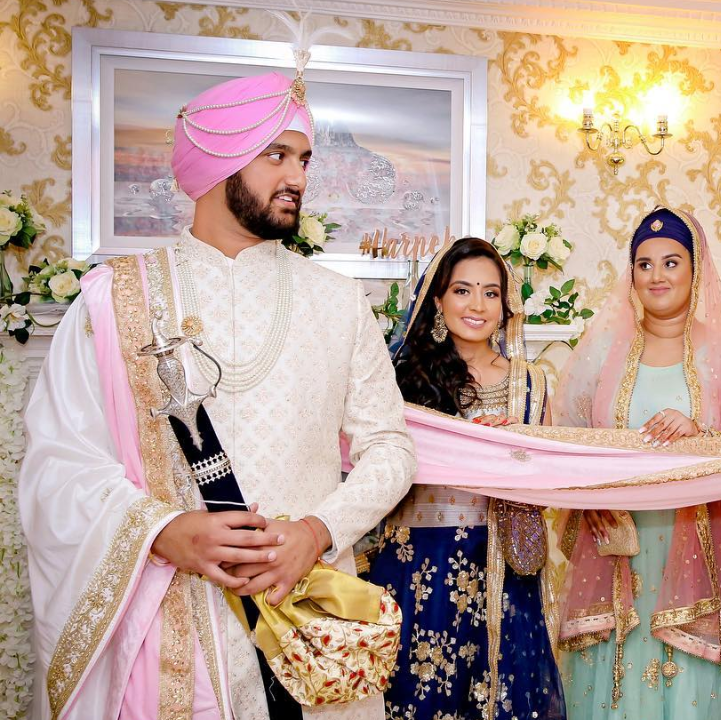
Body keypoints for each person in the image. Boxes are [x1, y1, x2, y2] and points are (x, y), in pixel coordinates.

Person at [18, 70, 417, 720]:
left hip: (308, 620)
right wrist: (161, 531)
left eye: (305, 158)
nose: (298, 177)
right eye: (276, 154)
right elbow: (58, 464)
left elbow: (391, 450)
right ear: (216, 161)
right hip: (170, 624)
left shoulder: (339, 300)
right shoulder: (113, 300)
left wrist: (317, 531)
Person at [552, 206, 721, 719]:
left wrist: (701, 433)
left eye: (671, 262)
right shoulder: (603, 349)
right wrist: (592, 500)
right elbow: (568, 438)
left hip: (694, 542)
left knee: (688, 684)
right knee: (615, 673)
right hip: (614, 545)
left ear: (697, 271)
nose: (657, 276)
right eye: (644, 264)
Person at [368, 237, 565, 720]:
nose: (477, 305)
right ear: (437, 299)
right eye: (462, 290)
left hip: (501, 561)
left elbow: (551, 476)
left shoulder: (532, 382)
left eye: (491, 293)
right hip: (416, 565)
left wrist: (507, 452)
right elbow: (375, 467)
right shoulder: (399, 377)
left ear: (506, 304)